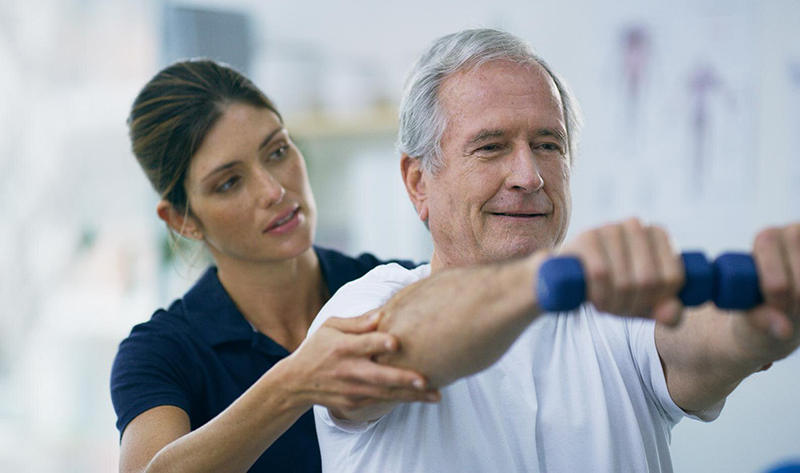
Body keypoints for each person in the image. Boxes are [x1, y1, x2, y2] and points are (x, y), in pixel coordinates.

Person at [309, 28, 800, 472]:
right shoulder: (363, 304)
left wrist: (758, 320)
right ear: (418, 183)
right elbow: (395, 352)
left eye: (548, 145)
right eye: (491, 147)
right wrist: (552, 277)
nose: (529, 176)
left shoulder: (612, 313)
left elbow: (708, 341)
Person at [110, 59, 440, 473]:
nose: (274, 189)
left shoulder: (394, 287)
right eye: (229, 182)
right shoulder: (162, 353)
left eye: (278, 151)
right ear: (183, 220)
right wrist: (296, 381)